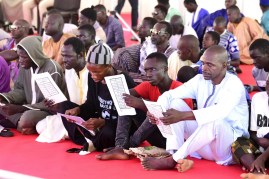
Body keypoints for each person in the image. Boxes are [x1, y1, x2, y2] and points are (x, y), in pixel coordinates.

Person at [141, 45, 249, 172]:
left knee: (216, 122)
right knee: (174, 103)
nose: (204, 68)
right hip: (202, 145)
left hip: (227, 148)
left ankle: (173, 160)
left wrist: (182, 116)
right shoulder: (200, 80)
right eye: (203, 63)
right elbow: (169, 95)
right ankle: (174, 152)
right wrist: (157, 112)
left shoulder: (234, 84)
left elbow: (220, 112)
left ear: (224, 65)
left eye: (210, 65)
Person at [96, 52, 193, 160]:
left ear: (165, 69)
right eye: (146, 70)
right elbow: (123, 96)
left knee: (154, 112)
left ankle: (126, 147)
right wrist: (111, 80)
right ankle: (120, 147)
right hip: (155, 135)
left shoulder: (180, 89)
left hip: (174, 140)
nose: (148, 74)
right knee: (127, 101)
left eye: (153, 70)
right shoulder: (148, 85)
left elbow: (178, 121)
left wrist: (142, 104)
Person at [61, 42, 136, 153]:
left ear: (109, 66)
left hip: (118, 127)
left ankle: (92, 142)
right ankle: (90, 141)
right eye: (90, 71)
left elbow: (128, 117)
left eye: (96, 71)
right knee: (65, 107)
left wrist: (103, 122)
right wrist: (78, 110)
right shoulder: (92, 77)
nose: (93, 75)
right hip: (99, 123)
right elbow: (91, 104)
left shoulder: (121, 80)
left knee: (108, 133)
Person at [0, 36, 67, 136]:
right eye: (19, 56)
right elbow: (20, 90)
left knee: (26, 119)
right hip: (28, 107)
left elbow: (50, 103)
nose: (20, 60)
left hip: (48, 111)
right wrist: (4, 97)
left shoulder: (52, 69)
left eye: (24, 57)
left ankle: (21, 124)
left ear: (34, 55)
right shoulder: (25, 67)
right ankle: (22, 125)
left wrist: (19, 108)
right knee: (2, 106)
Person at [36, 37, 88, 143]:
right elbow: (69, 104)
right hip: (73, 116)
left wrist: (77, 110)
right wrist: (56, 106)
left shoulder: (92, 72)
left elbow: (93, 103)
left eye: (68, 56)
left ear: (81, 55)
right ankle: (76, 131)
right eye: (63, 55)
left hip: (89, 114)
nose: (64, 60)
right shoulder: (69, 71)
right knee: (40, 126)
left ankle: (79, 133)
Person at [231, 77, 269, 176]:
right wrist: (259, 140)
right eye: (268, 83)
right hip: (261, 146)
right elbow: (253, 132)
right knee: (239, 143)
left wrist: (262, 158)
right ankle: (257, 171)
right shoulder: (258, 98)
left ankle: (256, 165)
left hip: (265, 150)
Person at [0, 19, 30, 85]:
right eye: (11, 27)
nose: (12, 30)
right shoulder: (9, 42)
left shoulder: (28, 42)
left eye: (15, 28)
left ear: (25, 30)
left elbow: (12, 55)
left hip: (24, 80)